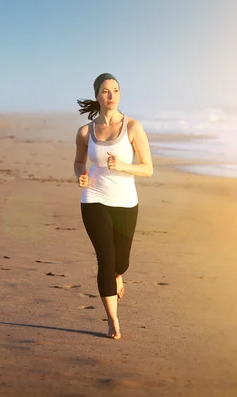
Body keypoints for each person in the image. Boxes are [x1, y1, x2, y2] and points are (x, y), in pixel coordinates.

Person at [74, 73, 153, 340]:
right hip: (94, 199)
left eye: (116, 91)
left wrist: (121, 165)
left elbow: (148, 169)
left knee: (122, 262)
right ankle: (113, 321)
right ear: (97, 95)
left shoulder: (133, 127)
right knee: (105, 260)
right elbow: (78, 161)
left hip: (126, 202)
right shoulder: (86, 131)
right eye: (106, 91)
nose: (111, 96)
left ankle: (118, 275)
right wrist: (80, 175)